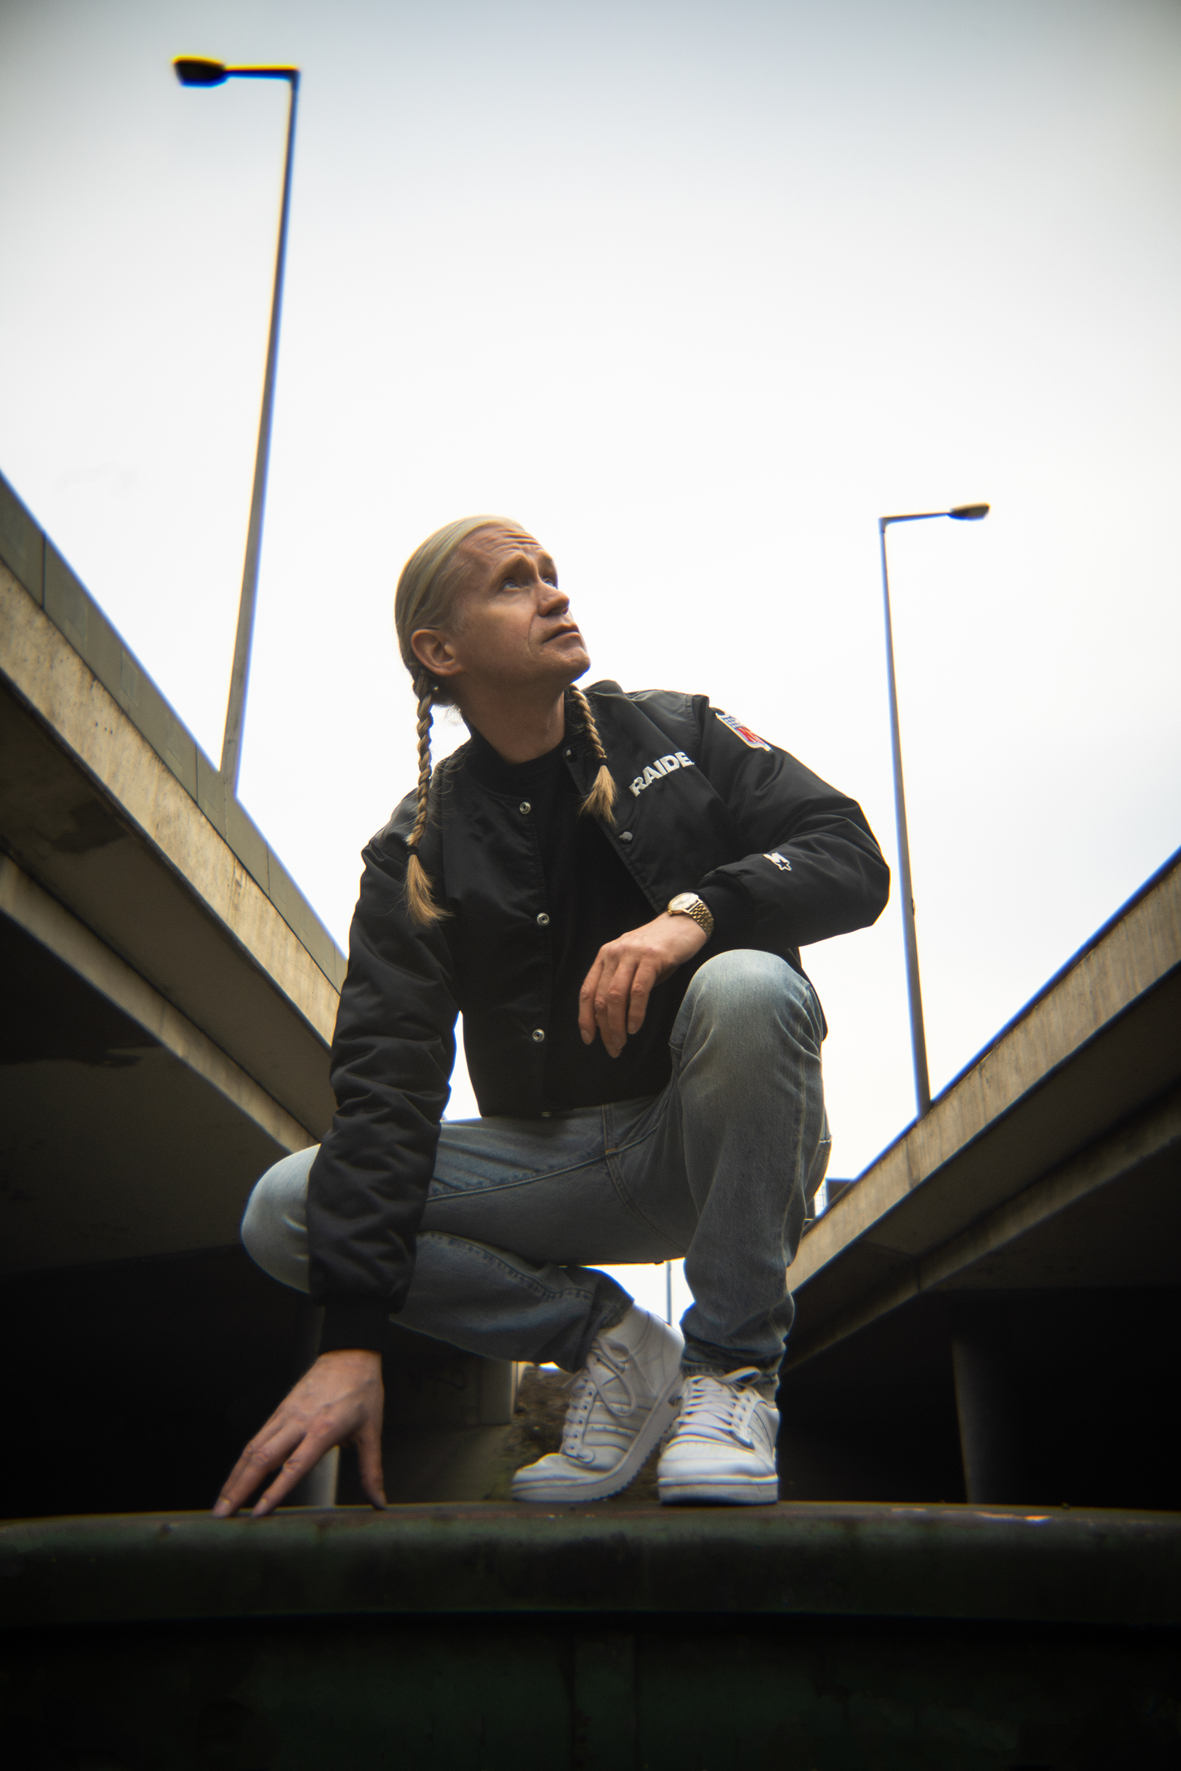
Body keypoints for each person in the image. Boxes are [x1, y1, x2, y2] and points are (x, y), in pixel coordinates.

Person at [214, 516, 889, 1519]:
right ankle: (610, 1346)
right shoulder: (417, 847)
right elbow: (387, 1083)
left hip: (723, 1138)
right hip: (564, 1166)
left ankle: (732, 1373)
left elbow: (847, 853)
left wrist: (694, 915)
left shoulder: (676, 732)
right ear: (439, 650)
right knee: (284, 1208)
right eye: (513, 583)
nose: (553, 593)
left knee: (746, 984)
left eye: (550, 573)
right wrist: (352, 1338)